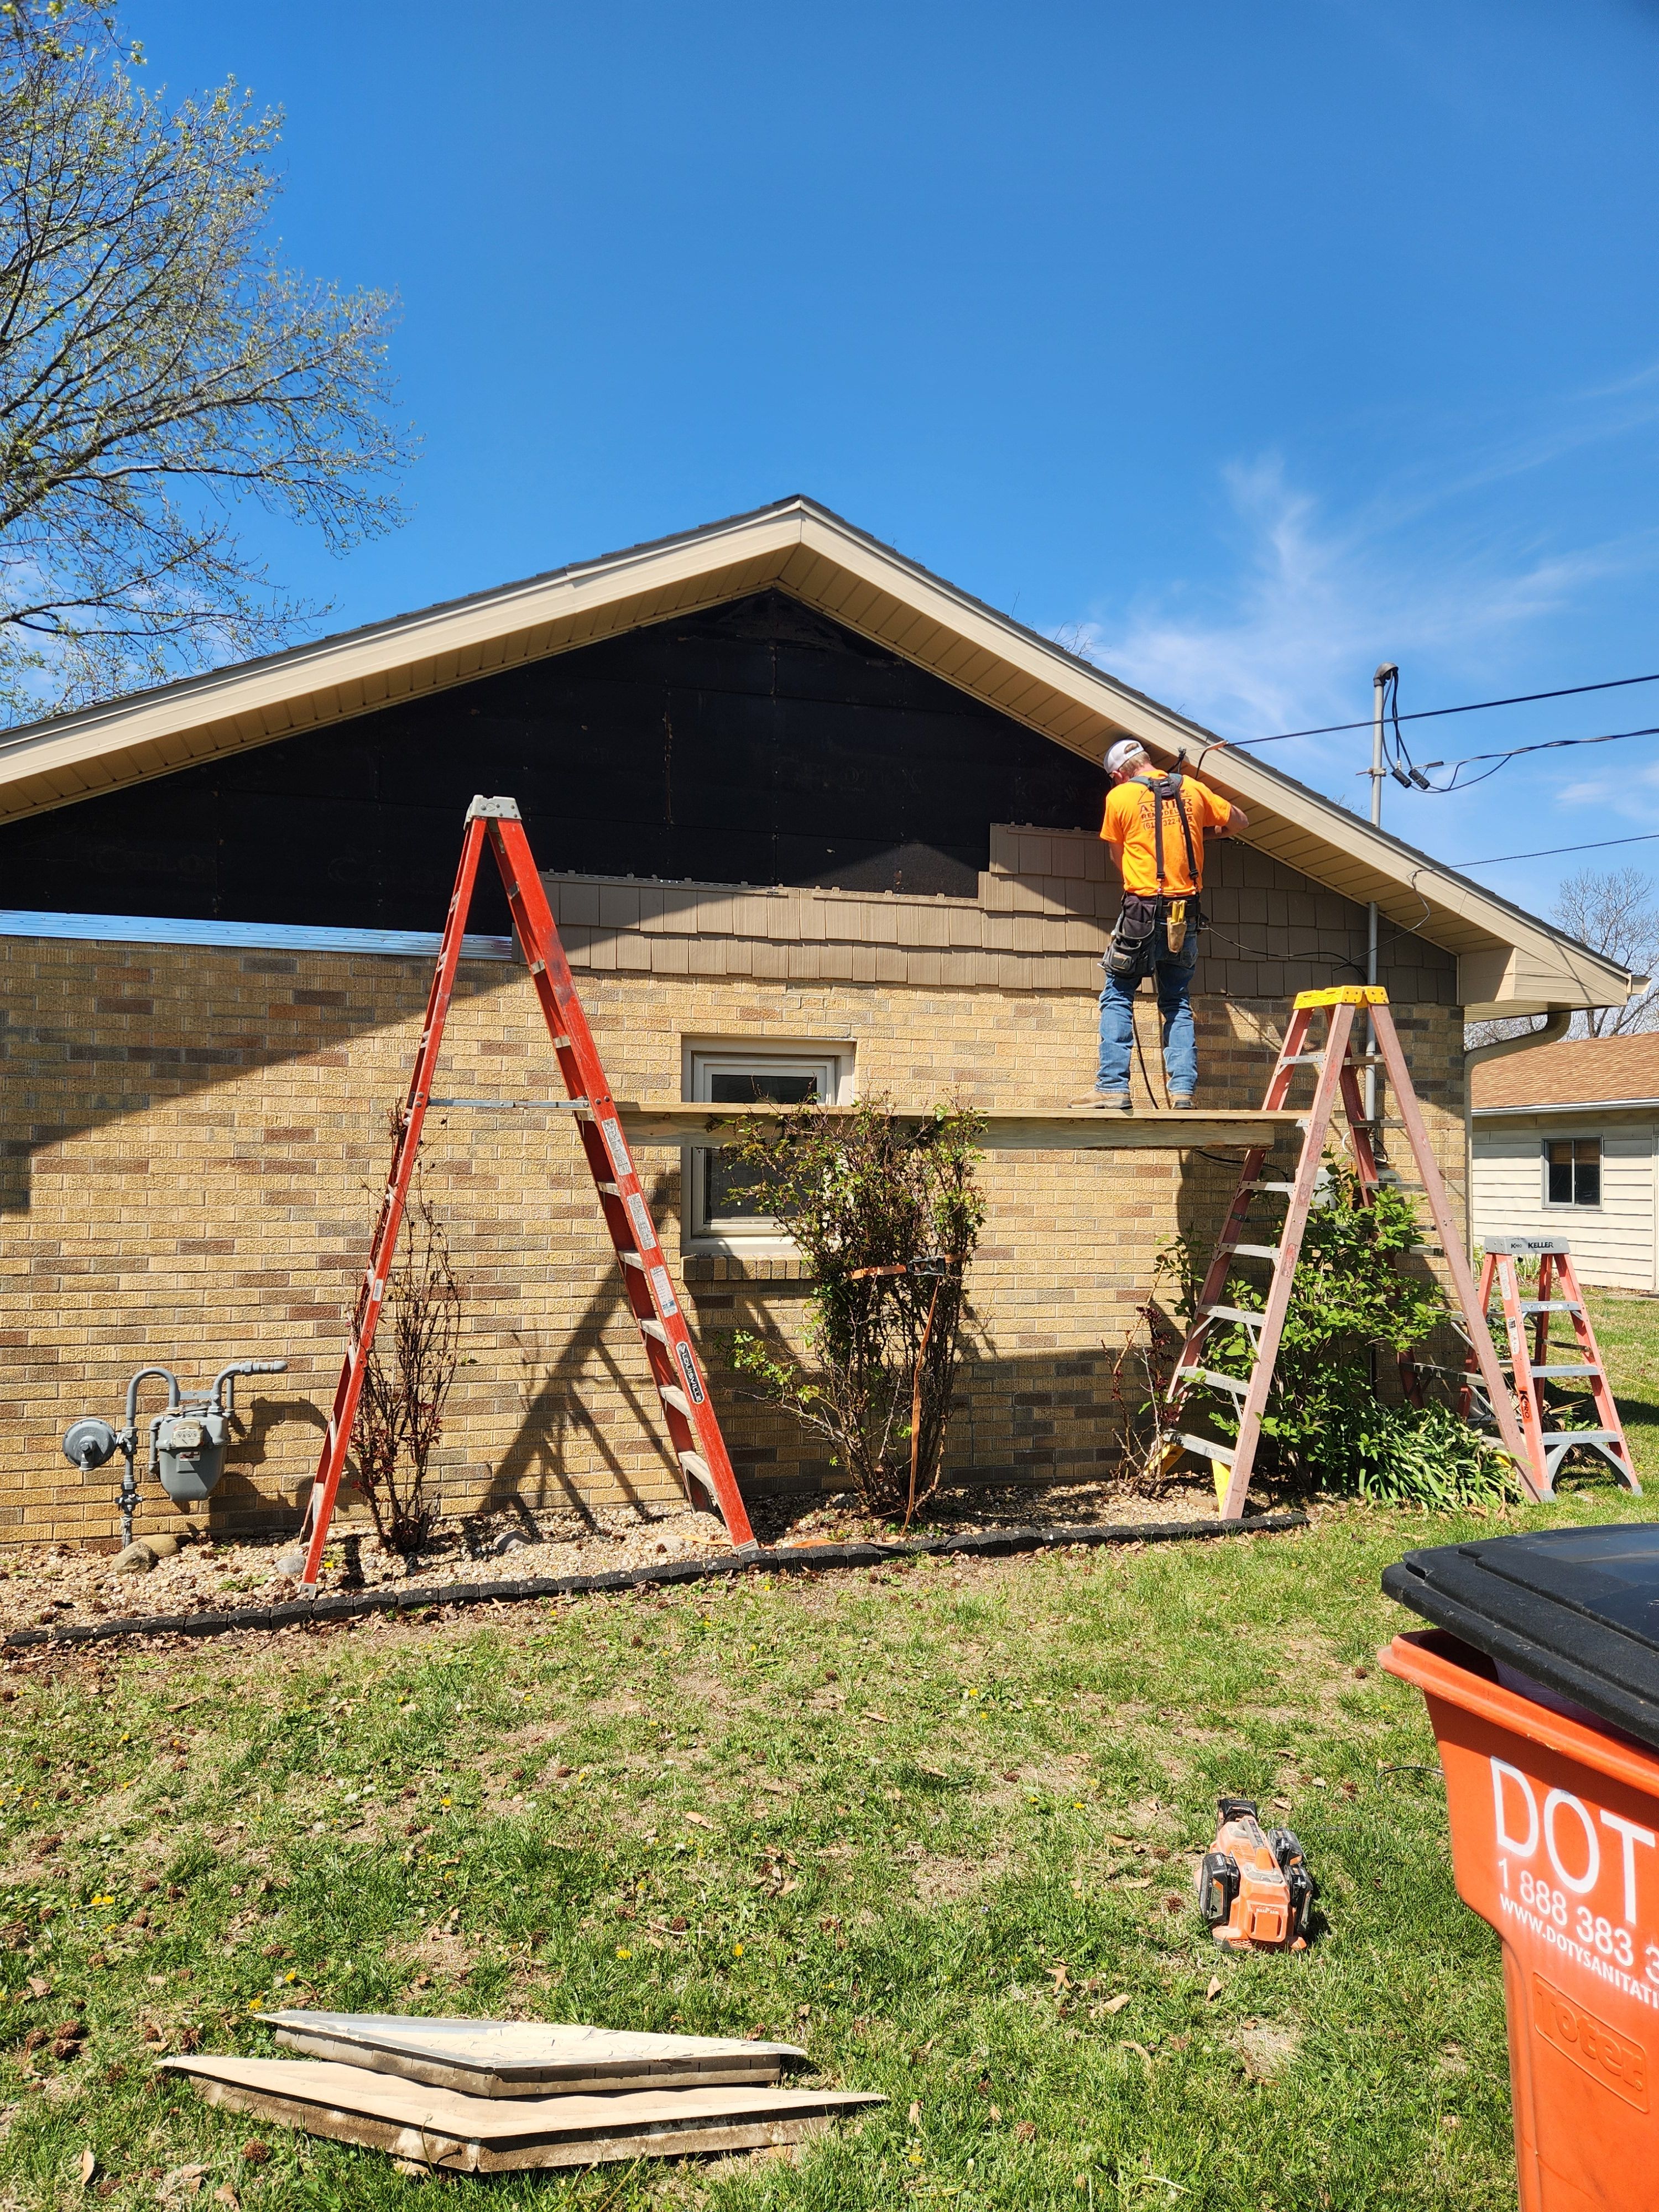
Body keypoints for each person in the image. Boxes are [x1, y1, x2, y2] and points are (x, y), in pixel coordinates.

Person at [1084, 738, 1247, 1110]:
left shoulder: (1120, 798)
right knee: (1175, 1001)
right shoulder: (1191, 787)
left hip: (1142, 911)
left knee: (1118, 994)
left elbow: (1119, 857)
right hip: (1185, 913)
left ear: (1118, 774)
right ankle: (1183, 1093)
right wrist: (1205, 831)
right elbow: (1239, 821)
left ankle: (1112, 1088)